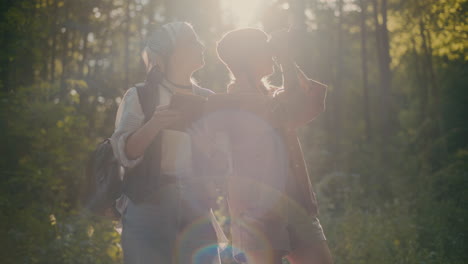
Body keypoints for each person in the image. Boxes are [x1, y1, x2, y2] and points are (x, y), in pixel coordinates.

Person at [210, 28, 333, 264]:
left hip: (296, 204)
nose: (271, 54)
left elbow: (312, 100)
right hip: (257, 213)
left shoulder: (273, 96)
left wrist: (287, 59)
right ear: (247, 58)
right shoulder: (232, 103)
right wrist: (286, 59)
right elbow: (280, 108)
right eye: (264, 49)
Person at [110, 22, 222, 264]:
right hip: (148, 204)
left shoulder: (208, 99)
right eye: (191, 42)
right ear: (169, 53)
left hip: (196, 207)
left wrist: (208, 147)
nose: (200, 46)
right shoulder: (140, 95)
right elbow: (124, 154)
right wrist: (154, 125)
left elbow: (222, 164)